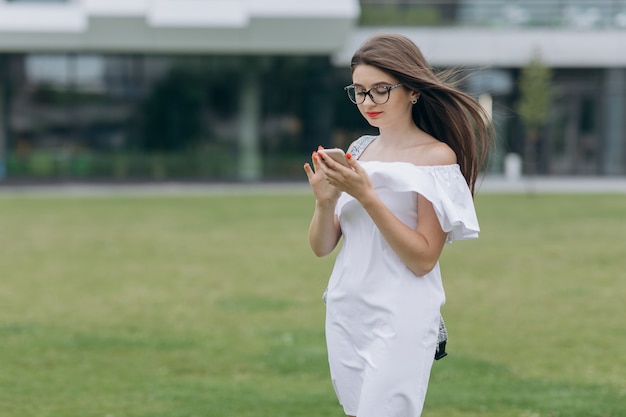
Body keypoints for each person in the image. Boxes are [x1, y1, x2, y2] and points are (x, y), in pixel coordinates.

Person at [303, 33, 493, 417]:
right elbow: (322, 247)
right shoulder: (358, 150)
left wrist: (367, 195)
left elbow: (423, 258)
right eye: (358, 91)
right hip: (346, 310)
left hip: (400, 316)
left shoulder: (435, 157)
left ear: (413, 91)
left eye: (380, 90)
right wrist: (325, 203)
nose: (368, 102)